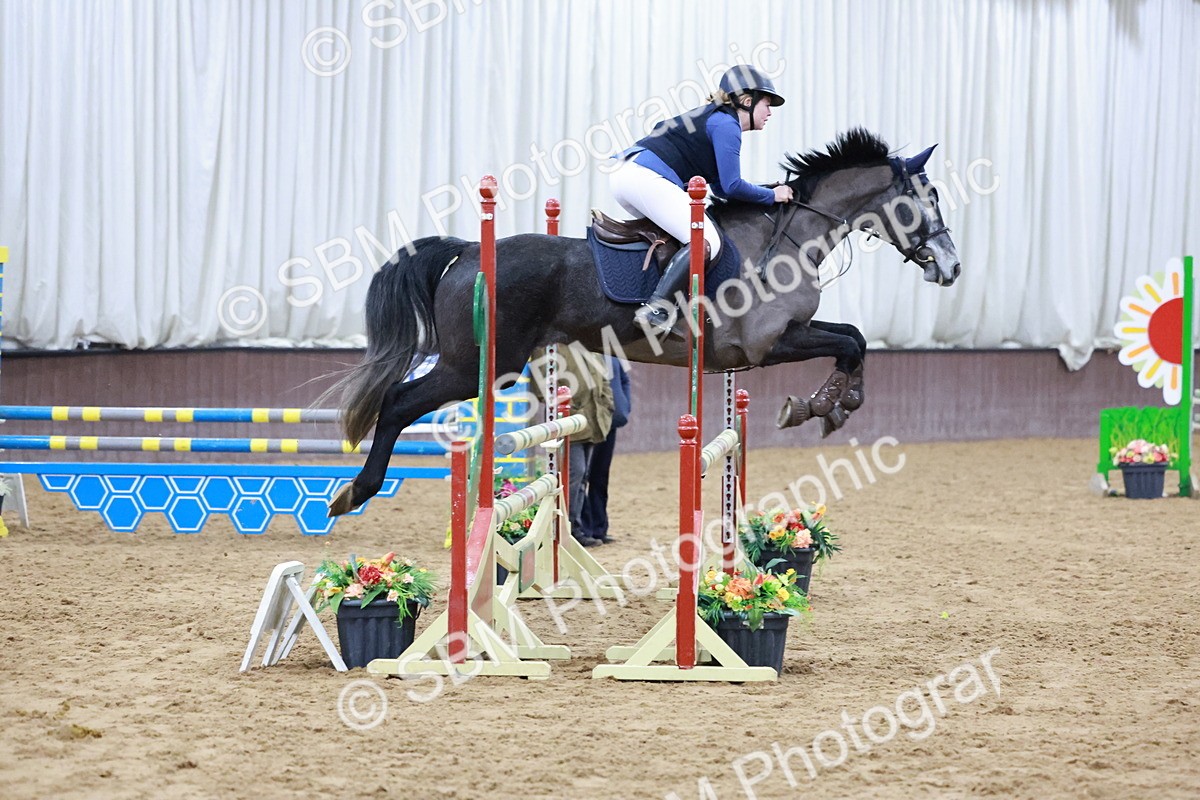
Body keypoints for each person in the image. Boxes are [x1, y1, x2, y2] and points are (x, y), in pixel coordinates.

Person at [609, 64, 794, 334]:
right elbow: (732, 187)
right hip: (643, 177)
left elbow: (720, 188)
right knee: (706, 239)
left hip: (630, 175)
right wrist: (772, 195)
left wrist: (764, 191)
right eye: (767, 104)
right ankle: (658, 309)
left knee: (678, 237)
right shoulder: (726, 124)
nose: (769, 113)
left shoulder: (717, 119)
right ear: (746, 101)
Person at [530, 347, 614, 548]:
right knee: (576, 473)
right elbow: (541, 387)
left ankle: (574, 527)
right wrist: (566, 407)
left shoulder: (587, 341)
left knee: (581, 476)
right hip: (569, 419)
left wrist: (605, 405)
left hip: (591, 418)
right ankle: (568, 529)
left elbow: (602, 377)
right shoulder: (547, 346)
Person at [581, 357, 631, 545]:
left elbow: (624, 380)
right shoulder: (585, 355)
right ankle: (586, 528)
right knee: (582, 475)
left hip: (609, 423)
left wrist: (623, 408)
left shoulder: (612, 356)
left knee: (600, 476)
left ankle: (599, 528)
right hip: (589, 423)